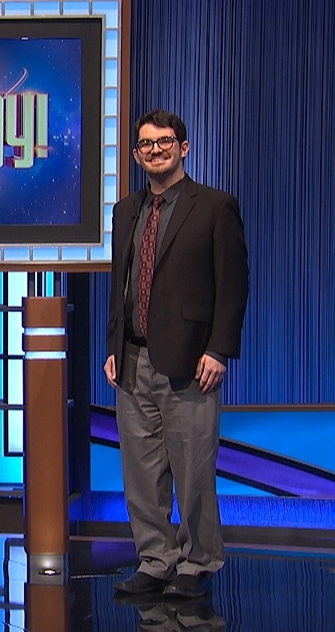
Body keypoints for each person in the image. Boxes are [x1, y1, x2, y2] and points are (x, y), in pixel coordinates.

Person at [104, 109, 249, 599]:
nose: (155, 150)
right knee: (140, 471)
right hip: (133, 359)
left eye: (164, 141)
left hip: (191, 359)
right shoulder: (125, 211)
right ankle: (155, 557)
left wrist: (219, 349)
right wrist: (112, 347)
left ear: (183, 148)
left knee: (192, 468)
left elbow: (233, 285)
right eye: (145, 144)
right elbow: (119, 286)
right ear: (136, 154)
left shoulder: (213, 207)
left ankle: (198, 559)